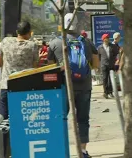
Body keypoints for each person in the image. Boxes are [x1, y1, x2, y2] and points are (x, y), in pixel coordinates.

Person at [47, 13, 99, 158]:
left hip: (64, 86)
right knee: (83, 119)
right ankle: (83, 151)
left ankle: (61, 150)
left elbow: (50, 68)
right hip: (84, 86)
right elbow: (95, 64)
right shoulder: (87, 42)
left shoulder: (55, 43)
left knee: (60, 117)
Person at [0, 21, 39, 120]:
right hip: (25, 86)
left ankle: (4, 135)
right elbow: (35, 68)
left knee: (2, 117)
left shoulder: (5, 41)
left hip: (6, 85)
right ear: (30, 32)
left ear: (17, 31)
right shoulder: (32, 46)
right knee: (22, 117)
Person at [97, 34, 119, 99]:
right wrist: (98, 66)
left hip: (111, 65)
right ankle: (105, 92)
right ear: (103, 39)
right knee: (105, 79)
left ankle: (110, 92)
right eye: (106, 38)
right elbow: (98, 57)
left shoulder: (112, 46)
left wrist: (117, 60)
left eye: (108, 38)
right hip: (104, 65)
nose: (107, 39)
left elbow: (116, 54)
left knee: (111, 79)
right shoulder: (100, 47)